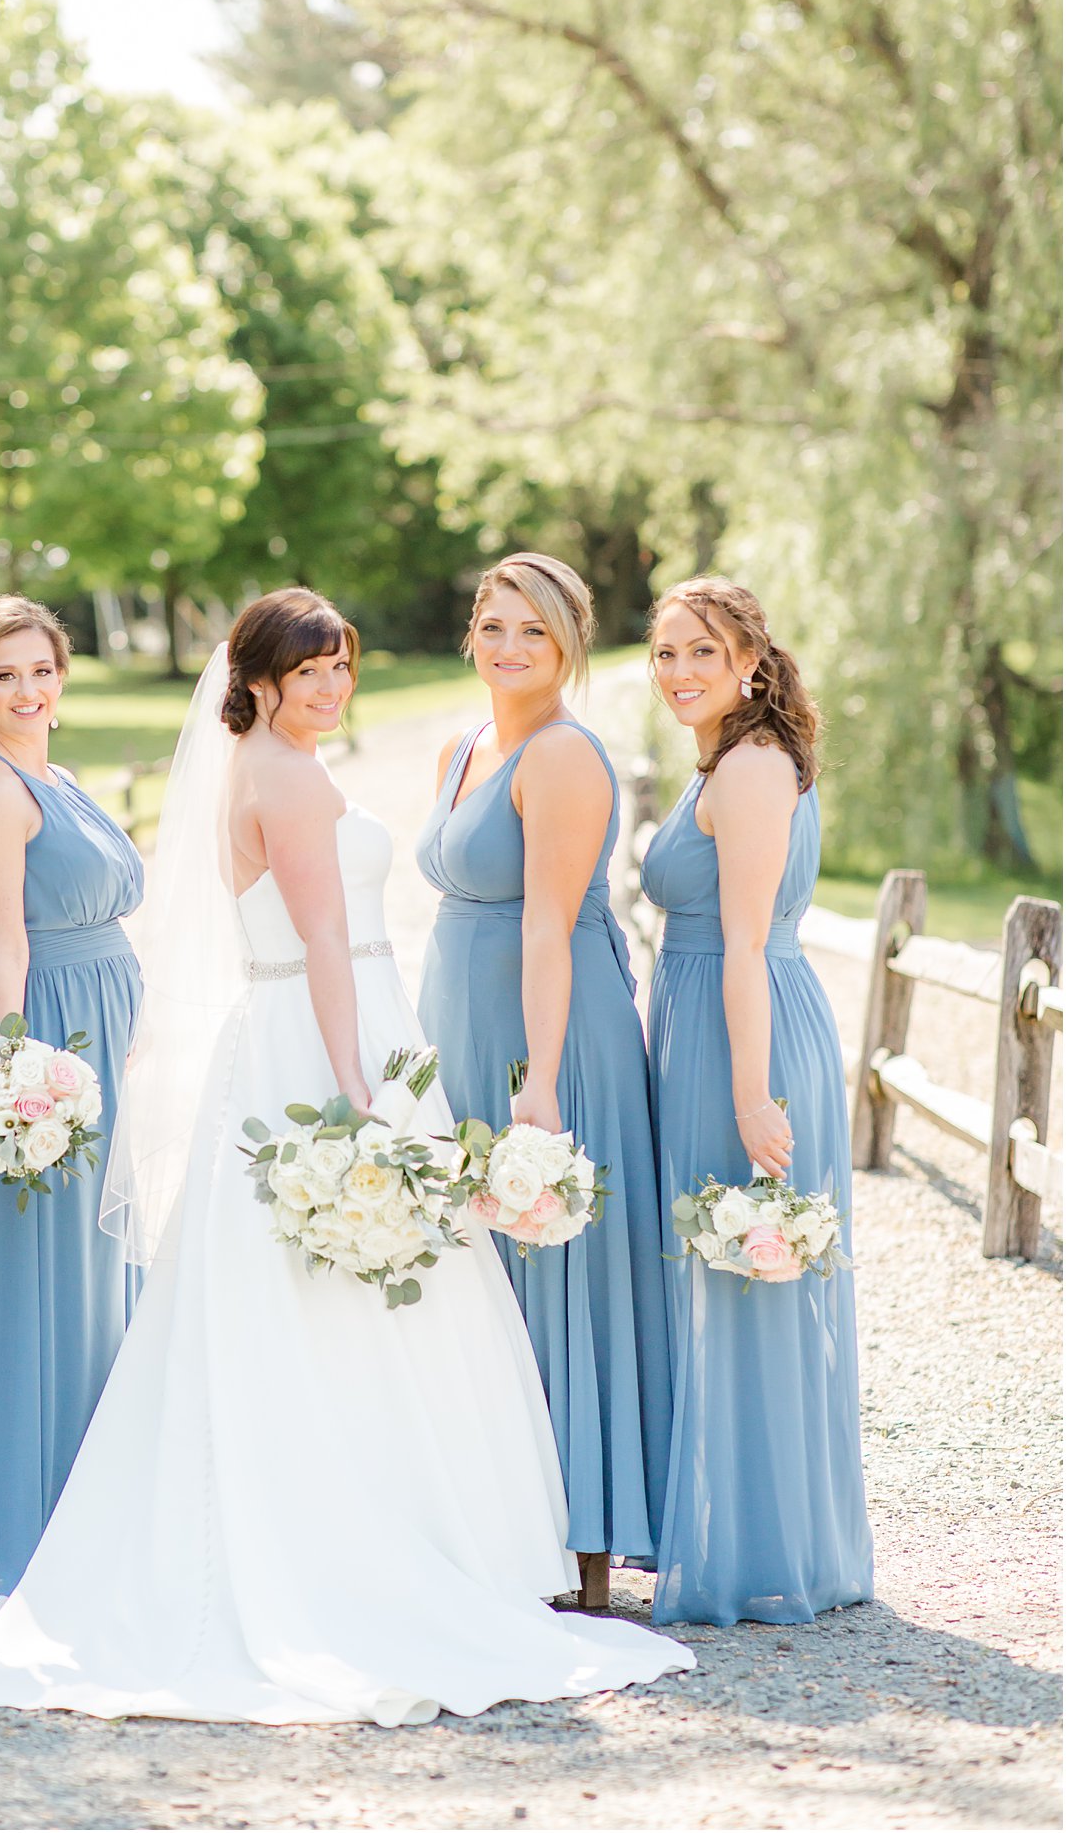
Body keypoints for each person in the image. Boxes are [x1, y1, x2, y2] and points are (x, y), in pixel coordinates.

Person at [0, 588, 694, 1720]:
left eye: (339, 668)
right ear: (255, 679)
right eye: (306, 670)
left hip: (284, 1033)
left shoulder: (250, 767)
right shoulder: (291, 776)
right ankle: (369, 1547)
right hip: (326, 1039)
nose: (329, 687)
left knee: (273, 1291)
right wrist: (359, 1088)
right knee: (352, 1287)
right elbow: (322, 935)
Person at [416, 554, 672, 1603]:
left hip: (546, 1035)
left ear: (567, 641)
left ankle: (582, 1543)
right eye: (492, 625)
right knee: (473, 1272)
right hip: (460, 1024)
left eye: (534, 629)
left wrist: (539, 1083)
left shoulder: (562, 756)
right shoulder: (462, 745)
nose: (509, 647)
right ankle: (485, 1519)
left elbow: (547, 926)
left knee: (554, 1265)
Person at [642, 576, 874, 1626]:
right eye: (663, 654)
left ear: (747, 658)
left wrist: (746, 1094)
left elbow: (741, 941)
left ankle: (756, 1551)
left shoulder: (746, 767)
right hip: (716, 1020)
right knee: (732, 1280)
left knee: (746, 1274)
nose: (679, 671)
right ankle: (752, 1531)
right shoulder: (733, 757)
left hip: (743, 1034)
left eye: (700, 651)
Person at [0, 596, 144, 1600]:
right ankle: (16, 1530)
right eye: (2, 675)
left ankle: (93, 1514)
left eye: (40, 670)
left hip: (107, 1026)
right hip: (46, 1038)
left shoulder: (64, 777)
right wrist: (11, 1080)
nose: (25, 690)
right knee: (36, 1280)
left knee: (98, 1280)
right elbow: (3, 949)